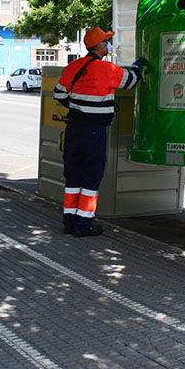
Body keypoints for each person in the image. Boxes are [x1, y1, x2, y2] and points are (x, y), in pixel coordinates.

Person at [53, 27, 144, 237]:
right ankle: (83, 225)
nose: (108, 46)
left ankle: (69, 222)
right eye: (106, 42)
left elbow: (59, 94)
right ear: (101, 47)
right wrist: (137, 67)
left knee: (73, 177)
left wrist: (77, 106)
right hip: (94, 131)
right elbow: (131, 81)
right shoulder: (107, 69)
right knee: (91, 178)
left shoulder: (72, 66)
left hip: (74, 128)